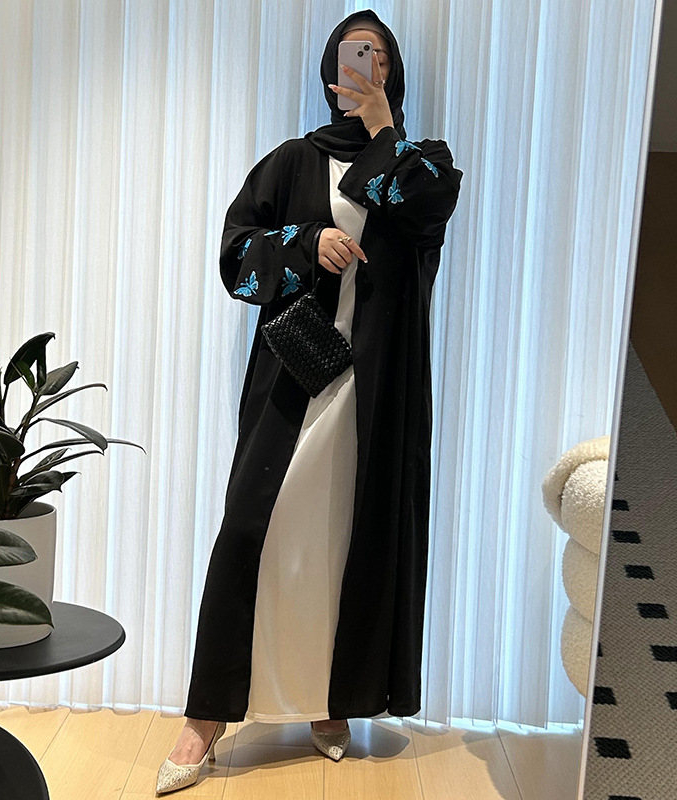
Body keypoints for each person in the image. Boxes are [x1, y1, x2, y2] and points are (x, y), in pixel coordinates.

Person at [155, 9, 463, 795]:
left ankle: (333, 703)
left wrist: (383, 128)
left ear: (394, 74)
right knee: (252, 532)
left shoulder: (422, 162)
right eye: (354, 55)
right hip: (297, 378)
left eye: (380, 58)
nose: (367, 67)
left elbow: (422, 210)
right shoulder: (291, 160)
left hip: (377, 391)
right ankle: (204, 719)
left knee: (346, 543)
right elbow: (236, 260)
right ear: (328, 72)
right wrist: (304, 244)